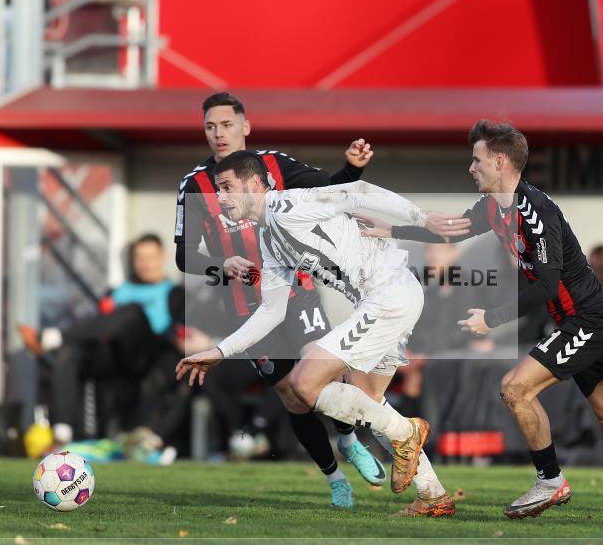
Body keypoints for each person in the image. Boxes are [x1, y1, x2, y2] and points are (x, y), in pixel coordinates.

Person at [366, 120, 603, 522]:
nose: (471, 168)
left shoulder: (535, 210)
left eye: (477, 159)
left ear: (500, 161)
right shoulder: (493, 207)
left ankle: (550, 480)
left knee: (514, 388)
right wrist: (392, 230)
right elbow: (452, 232)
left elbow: (546, 285)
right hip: (584, 320)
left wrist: (493, 317)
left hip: (587, 318)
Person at [177, 151, 455, 517]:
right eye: (217, 189)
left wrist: (421, 219)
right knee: (367, 399)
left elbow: (358, 190)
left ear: (255, 184)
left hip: (389, 295)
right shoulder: (270, 239)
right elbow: (271, 312)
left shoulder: (291, 204)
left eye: (227, 187)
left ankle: (406, 432)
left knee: (304, 384)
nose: (221, 198)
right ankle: (433, 495)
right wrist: (220, 351)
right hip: (382, 299)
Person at [174, 92, 384, 508]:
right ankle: (334, 479)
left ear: (245, 127)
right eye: (211, 126)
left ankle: (348, 439)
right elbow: (183, 255)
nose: (219, 134)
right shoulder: (194, 187)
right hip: (246, 307)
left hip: (299, 290)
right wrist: (221, 262)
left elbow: (327, 188)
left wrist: (352, 168)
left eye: (227, 125)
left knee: (319, 375)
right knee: (292, 394)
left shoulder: (273, 165)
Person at [19, 233, 184, 440]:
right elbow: (98, 324)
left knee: (132, 311)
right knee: (71, 353)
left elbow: (176, 336)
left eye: (150, 257)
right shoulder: (117, 291)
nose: (145, 264)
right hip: (113, 354)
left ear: (162, 257)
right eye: (139, 257)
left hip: (145, 353)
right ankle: (63, 432)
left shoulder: (174, 293)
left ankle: (53, 337)